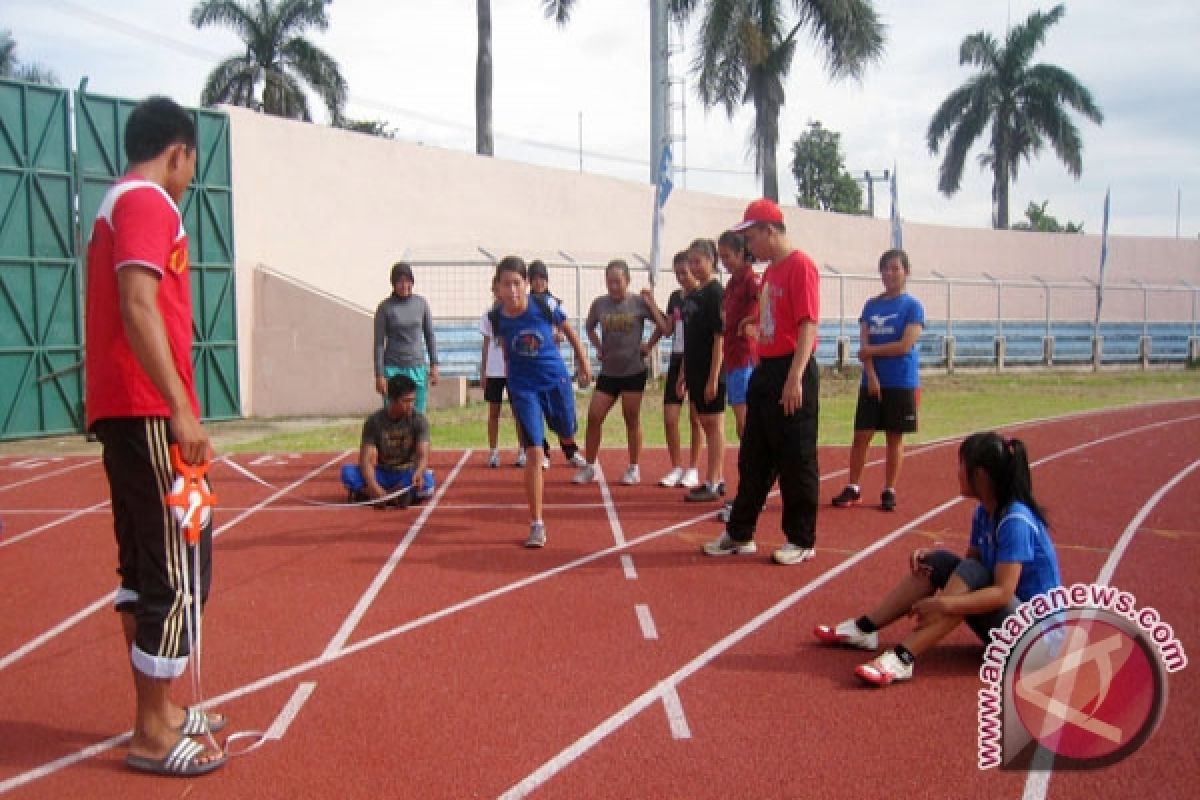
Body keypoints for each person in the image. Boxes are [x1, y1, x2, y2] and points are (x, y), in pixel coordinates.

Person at [84, 95, 226, 776]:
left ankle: (161, 710)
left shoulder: (114, 203)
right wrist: (180, 407)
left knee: (147, 566)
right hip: (147, 409)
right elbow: (139, 302)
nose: (188, 178)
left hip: (125, 408)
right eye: (190, 165)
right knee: (177, 571)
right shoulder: (148, 202)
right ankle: (151, 732)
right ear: (179, 153)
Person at [814, 432, 1062, 686]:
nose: (957, 472)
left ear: (981, 476)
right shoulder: (984, 513)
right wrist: (933, 566)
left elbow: (1002, 592)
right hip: (1009, 626)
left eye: (961, 465)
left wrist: (943, 604)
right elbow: (970, 568)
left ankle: (902, 658)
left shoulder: (1015, 521)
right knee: (939, 561)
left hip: (1035, 644)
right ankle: (865, 629)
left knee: (967, 580)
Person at [703, 198, 821, 565]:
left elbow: (808, 324)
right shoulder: (770, 272)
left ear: (769, 231)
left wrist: (795, 376)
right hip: (765, 369)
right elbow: (777, 319)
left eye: (751, 237)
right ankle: (740, 532)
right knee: (754, 457)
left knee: (796, 458)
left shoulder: (800, 266)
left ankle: (801, 539)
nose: (748, 246)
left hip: (791, 368)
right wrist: (756, 329)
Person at [489, 256, 592, 547]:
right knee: (534, 453)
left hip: (555, 381)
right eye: (506, 284)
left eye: (517, 284)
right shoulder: (497, 317)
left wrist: (584, 364)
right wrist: (513, 386)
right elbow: (507, 353)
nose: (512, 291)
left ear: (526, 284)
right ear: (497, 287)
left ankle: (568, 440)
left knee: (566, 429)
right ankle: (537, 523)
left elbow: (571, 332)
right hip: (524, 389)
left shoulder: (545, 305)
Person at [831, 249, 926, 512]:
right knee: (862, 435)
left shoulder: (913, 307)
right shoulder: (871, 306)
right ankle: (854, 486)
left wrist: (871, 352)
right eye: (885, 269)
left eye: (895, 268)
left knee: (894, 437)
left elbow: (905, 345)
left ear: (906, 272)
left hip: (901, 380)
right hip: (872, 381)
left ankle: (889, 488)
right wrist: (871, 373)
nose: (889, 274)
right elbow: (864, 342)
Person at [573, 259, 667, 486]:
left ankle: (634, 467)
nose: (613, 287)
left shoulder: (638, 303)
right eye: (609, 282)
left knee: (631, 418)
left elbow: (665, 327)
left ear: (627, 280)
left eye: (618, 282)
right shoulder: (600, 304)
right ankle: (589, 466)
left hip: (633, 370)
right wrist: (598, 347)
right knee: (594, 417)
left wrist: (649, 343)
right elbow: (588, 327)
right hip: (609, 372)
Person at [642, 251, 703, 489]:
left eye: (684, 272)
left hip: (697, 360)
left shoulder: (702, 296)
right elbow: (667, 328)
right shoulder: (675, 298)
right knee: (670, 417)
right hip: (677, 359)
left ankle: (694, 469)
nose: (681, 277)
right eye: (677, 273)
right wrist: (652, 306)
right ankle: (676, 466)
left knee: (696, 419)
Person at [715, 229, 760, 521]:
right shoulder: (731, 283)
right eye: (721, 257)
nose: (724, 262)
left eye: (727, 256)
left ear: (742, 252)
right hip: (732, 360)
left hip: (745, 359)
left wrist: (752, 320)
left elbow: (770, 304)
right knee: (743, 429)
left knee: (748, 429)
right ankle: (750, 490)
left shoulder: (752, 280)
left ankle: (751, 493)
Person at [678, 238, 727, 503]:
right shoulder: (692, 295)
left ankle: (714, 480)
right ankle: (714, 477)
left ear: (711, 262)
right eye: (691, 262)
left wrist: (713, 378)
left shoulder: (715, 293)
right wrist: (685, 372)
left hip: (711, 370)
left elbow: (719, 337)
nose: (694, 267)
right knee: (704, 423)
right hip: (695, 368)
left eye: (699, 261)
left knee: (714, 424)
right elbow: (690, 337)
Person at [341, 374, 435, 507]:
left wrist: (419, 471)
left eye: (412, 400)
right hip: (383, 472)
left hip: (406, 473)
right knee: (348, 472)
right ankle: (391, 496)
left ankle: (373, 496)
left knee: (428, 481)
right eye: (406, 401)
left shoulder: (419, 421)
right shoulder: (374, 421)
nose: (410, 405)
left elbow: (423, 456)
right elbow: (365, 459)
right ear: (392, 399)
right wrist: (373, 486)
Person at [528, 259, 587, 469]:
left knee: (563, 410)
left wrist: (582, 360)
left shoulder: (552, 303)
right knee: (535, 412)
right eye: (534, 279)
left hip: (552, 366)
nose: (538, 283)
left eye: (542, 278)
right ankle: (542, 451)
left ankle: (570, 449)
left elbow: (565, 328)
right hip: (531, 367)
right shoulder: (523, 303)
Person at [374, 261, 439, 414]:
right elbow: (378, 343)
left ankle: (418, 439)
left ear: (412, 281)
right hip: (393, 368)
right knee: (393, 414)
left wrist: (434, 364)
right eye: (400, 281)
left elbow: (429, 335)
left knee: (417, 415)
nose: (404, 285)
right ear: (393, 283)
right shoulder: (385, 308)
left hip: (417, 367)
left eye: (407, 281)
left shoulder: (421, 304)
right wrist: (379, 374)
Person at [479, 276, 523, 468]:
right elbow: (486, 343)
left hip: (513, 370)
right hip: (494, 371)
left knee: (518, 413)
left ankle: (522, 450)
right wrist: (483, 370)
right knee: (493, 412)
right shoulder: (489, 314)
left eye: (502, 289)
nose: (500, 293)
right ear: (494, 291)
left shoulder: (516, 311)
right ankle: (493, 451)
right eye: (496, 290)